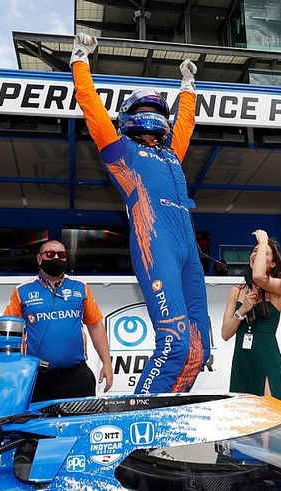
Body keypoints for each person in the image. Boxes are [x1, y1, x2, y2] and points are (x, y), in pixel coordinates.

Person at [70, 32, 210, 395]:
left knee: (199, 348)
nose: (152, 118)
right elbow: (92, 110)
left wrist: (188, 85)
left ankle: (164, 422)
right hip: (155, 247)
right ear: (128, 118)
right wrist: (80, 59)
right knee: (175, 342)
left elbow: (186, 124)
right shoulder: (122, 154)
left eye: (157, 112)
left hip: (188, 254)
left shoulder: (170, 155)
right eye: (144, 111)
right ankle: (137, 418)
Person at [4, 239, 113, 403]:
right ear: (39, 259)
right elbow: (9, 333)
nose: (56, 258)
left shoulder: (80, 287)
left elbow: (95, 325)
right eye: (50, 254)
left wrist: (107, 363)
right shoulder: (23, 291)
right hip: (37, 378)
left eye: (61, 255)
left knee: (80, 426)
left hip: (77, 376)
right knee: (36, 428)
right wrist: (10, 369)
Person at [221, 230, 281, 402]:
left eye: (264, 252)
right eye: (254, 251)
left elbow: (259, 276)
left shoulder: (280, 287)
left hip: (266, 359)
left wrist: (264, 240)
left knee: (270, 419)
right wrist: (242, 310)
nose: (256, 254)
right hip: (242, 361)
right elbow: (225, 334)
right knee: (243, 420)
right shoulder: (236, 291)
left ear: (273, 264)